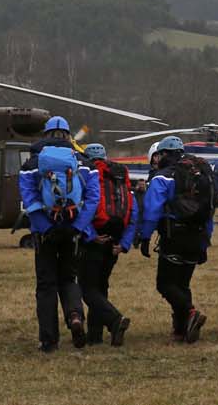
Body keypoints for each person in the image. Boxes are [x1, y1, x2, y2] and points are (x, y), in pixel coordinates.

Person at [19, 115, 90, 351]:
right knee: (69, 278)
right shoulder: (80, 159)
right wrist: (78, 226)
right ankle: (75, 317)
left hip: (45, 232)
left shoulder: (33, 162)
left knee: (46, 285)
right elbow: (92, 198)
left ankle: (49, 339)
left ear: (45, 135)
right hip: (72, 229)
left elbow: (28, 199)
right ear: (68, 135)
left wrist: (44, 227)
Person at [136, 136, 215, 343]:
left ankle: (190, 313)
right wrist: (206, 241)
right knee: (182, 284)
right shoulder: (200, 174)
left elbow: (152, 209)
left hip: (174, 235)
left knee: (165, 284)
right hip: (197, 235)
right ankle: (181, 330)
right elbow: (209, 210)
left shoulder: (163, 177)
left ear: (162, 154)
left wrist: (145, 237)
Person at [77, 143, 137, 346]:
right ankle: (95, 337)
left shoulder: (88, 176)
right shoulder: (119, 179)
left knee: (87, 289)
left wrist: (90, 235)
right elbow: (133, 213)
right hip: (115, 243)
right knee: (101, 287)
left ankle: (114, 320)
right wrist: (125, 243)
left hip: (94, 241)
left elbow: (83, 207)